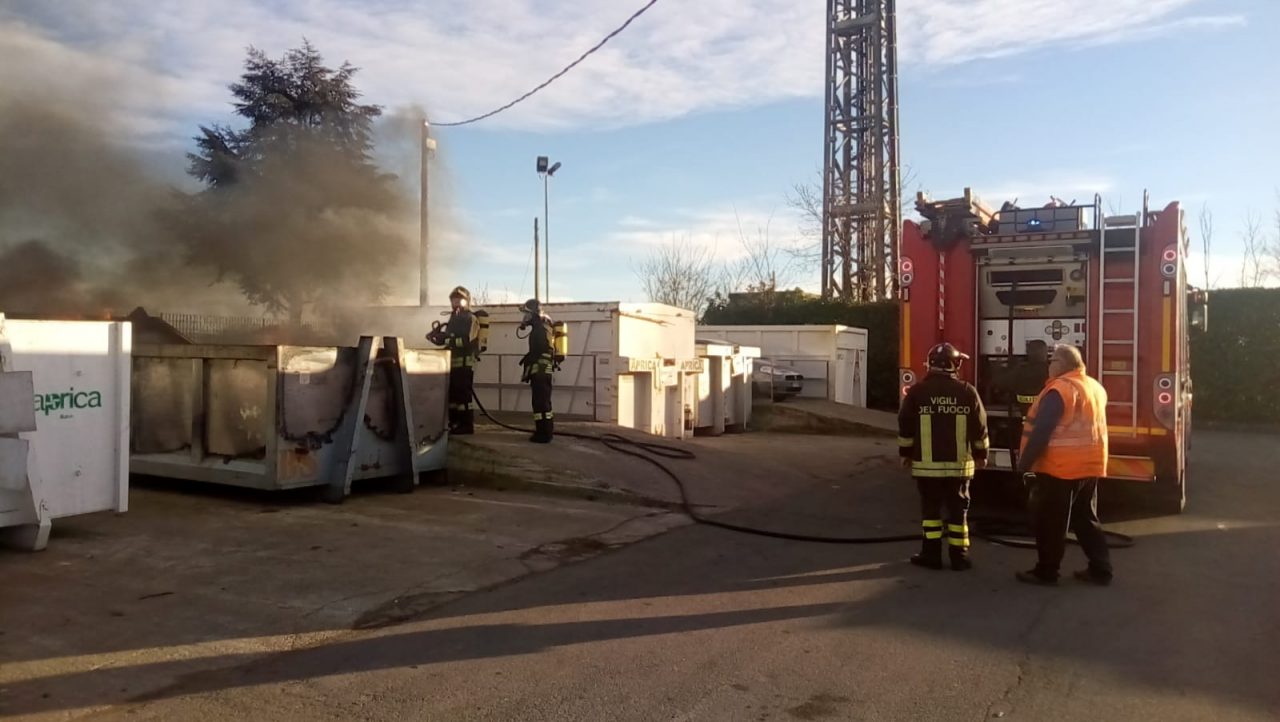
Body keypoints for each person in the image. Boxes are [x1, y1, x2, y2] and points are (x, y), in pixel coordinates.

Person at [1015, 343, 1113, 586]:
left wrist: (1025, 463)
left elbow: (1042, 431)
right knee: (1085, 518)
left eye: (1052, 361)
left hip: (1060, 468)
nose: (1049, 365)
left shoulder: (1060, 390)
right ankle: (1101, 569)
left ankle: (1046, 571)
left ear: (1062, 364)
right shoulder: (1094, 387)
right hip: (1090, 465)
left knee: (1051, 522)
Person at [898, 343, 990, 571]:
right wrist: (981, 454)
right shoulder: (967, 391)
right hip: (959, 468)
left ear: (930, 364)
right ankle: (959, 557)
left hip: (926, 469)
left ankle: (931, 555)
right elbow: (980, 427)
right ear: (955, 364)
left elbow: (905, 425)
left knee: (931, 513)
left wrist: (905, 453)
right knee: (958, 513)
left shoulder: (917, 392)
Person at [428, 286, 481, 435]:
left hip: (465, 363)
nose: (456, 303)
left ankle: (466, 425)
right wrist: (437, 339)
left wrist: (449, 338)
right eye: (454, 300)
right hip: (453, 363)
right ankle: (454, 423)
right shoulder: (453, 319)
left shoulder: (471, 318)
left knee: (463, 397)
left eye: (460, 300)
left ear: (467, 301)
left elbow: (467, 341)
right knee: (452, 397)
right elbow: (448, 341)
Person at [518, 298, 555, 444]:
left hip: (540, 371)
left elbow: (543, 348)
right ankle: (544, 431)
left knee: (541, 403)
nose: (524, 317)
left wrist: (530, 358)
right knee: (542, 402)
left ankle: (543, 434)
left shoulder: (540, 328)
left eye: (526, 313)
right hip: (541, 370)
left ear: (533, 313)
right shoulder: (541, 327)